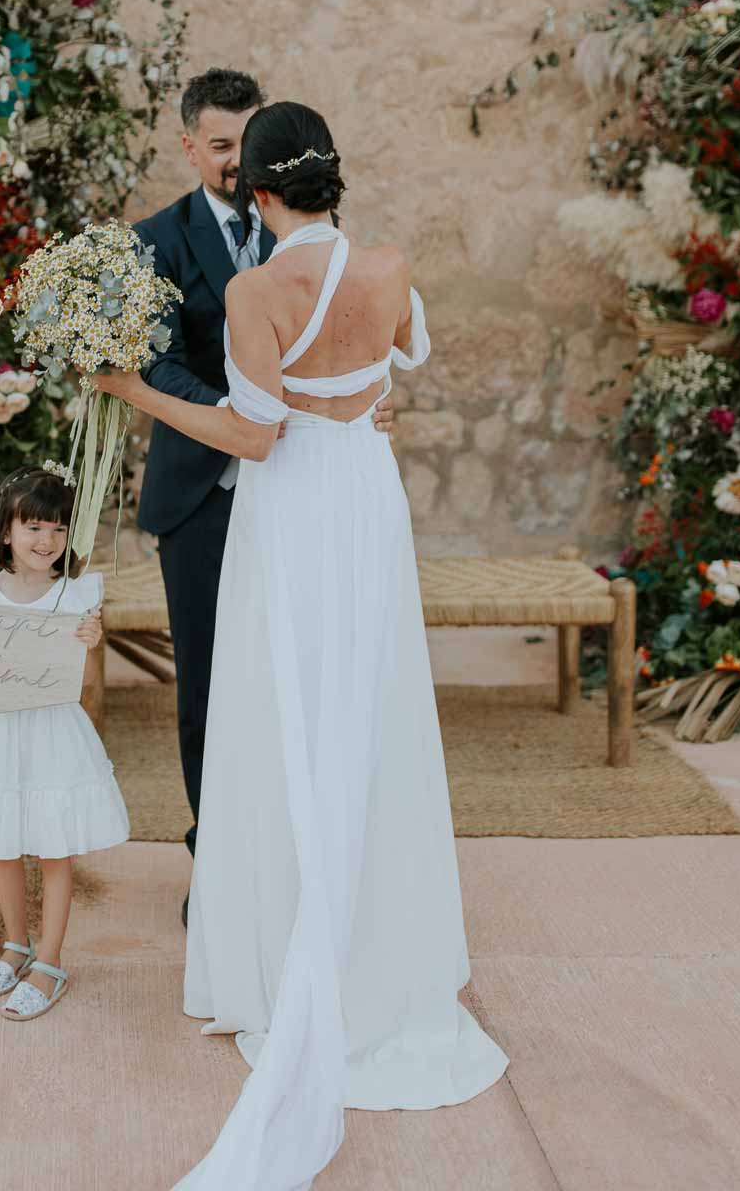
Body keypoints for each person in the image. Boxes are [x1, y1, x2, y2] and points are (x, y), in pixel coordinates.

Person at [94, 103, 508, 1188]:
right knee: (366, 702)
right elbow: (400, 354)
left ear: (257, 192)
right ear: (334, 179)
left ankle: (283, 949)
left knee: (282, 708)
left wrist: (129, 386)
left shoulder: (253, 290)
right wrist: (366, 405)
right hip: (366, 504)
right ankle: (383, 945)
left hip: (292, 511)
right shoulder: (389, 263)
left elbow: (253, 431)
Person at [133, 69, 394, 876]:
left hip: (304, 497)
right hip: (203, 495)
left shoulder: (317, 232)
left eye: (247, 149)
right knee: (212, 690)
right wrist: (256, 409)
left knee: (307, 679)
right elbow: (160, 359)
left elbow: (351, 337)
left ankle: (304, 856)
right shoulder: (156, 240)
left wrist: (347, 404)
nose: (235, 167)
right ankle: (219, 865)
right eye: (219, 148)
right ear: (189, 148)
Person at [0, 465, 129, 1022]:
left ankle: (50, 960)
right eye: (34, 527)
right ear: (6, 531)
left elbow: (78, 683)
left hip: (54, 732)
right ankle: (16, 944)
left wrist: (91, 642)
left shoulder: (75, 596)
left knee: (55, 848)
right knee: (4, 845)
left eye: (58, 530)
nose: (46, 541)